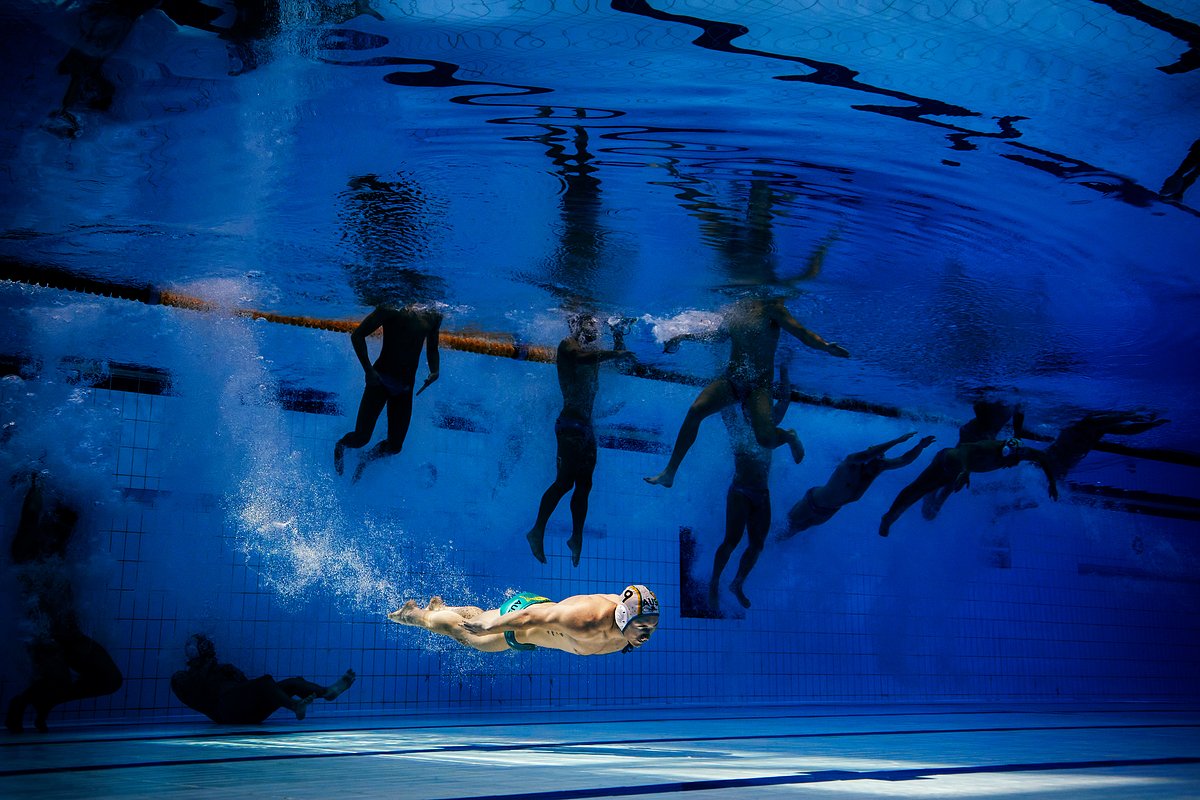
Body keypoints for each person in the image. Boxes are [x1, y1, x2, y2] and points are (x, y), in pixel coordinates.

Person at [644, 294, 848, 489]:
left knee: (765, 439)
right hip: (731, 380)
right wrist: (683, 336)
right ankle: (669, 472)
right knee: (696, 410)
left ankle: (789, 436)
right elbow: (718, 336)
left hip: (758, 387)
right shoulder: (735, 310)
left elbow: (801, 333)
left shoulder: (772, 308)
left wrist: (825, 346)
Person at [5, 473, 123, 733]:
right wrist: (36, 478)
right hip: (43, 638)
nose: (64, 535)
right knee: (57, 679)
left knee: (110, 679)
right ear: (47, 525)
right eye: (59, 528)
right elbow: (31, 512)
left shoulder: (58, 552)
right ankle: (23, 701)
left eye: (67, 530)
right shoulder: (26, 550)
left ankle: (47, 700)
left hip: (70, 637)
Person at [525, 313, 633, 566]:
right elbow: (580, 358)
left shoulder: (594, 350)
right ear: (578, 325)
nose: (596, 330)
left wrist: (618, 335)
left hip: (586, 428)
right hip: (570, 426)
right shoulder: (568, 345)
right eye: (591, 325)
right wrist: (614, 354)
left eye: (597, 326)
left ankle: (577, 536)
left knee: (584, 485)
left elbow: (619, 364)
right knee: (564, 483)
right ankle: (537, 530)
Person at [708, 364, 792, 614]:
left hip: (762, 494)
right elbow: (723, 405)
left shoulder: (768, 422)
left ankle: (737, 583)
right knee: (731, 541)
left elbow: (785, 400)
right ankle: (714, 583)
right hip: (741, 491)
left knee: (757, 545)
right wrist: (723, 374)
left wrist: (785, 371)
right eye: (750, 407)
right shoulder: (736, 425)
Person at [387, 585, 660, 656]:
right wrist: (490, 628)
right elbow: (531, 617)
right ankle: (415, 615)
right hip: (525, 624)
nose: (647, 634)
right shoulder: (588, 619)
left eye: (652, 627)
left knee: (481, 617)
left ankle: (443, 607)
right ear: (624, 616)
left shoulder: (629, 622)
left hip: (535, 611)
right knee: (470, 636)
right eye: (644, 627)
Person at [334, 304, 442, 482]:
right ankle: (341, 445)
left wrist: (435, 370)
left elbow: (432, 348)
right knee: (361, 438)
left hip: (405, 388)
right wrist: (368, 370)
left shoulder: (434, 315)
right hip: (379, 380)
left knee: (395, 446)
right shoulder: (392, 307)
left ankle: (365, 460)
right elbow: (357, 335)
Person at [878, 438, 1059, 538]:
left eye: (1015, 461)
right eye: (1010, 462)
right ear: (1004, 453)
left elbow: (1043, 458)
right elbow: (964, 448)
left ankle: (931, 496)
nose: (1012, 465)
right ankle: (888, 517)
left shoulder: (1020, 453)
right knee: (917, 489)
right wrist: (965, 470)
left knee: (931, 512)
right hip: (946, 462)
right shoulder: (990, 447)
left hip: (956, 475)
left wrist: (1052, 483)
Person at [780, 431, 936, 539]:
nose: (879, 461)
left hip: (827, 512)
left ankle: (773, 551)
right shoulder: (851, 462)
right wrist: (897, 441)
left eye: (881, 459)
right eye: (877, 457)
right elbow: (869, 454)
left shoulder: (876, 469)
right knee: (785, 529)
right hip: (812, 503)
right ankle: (764, 542)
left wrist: (920, 447)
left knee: (795, 532)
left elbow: (904, 460)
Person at [170, 634, 355, 724]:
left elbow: (246, 688)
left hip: (246, 710)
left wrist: (234, 674)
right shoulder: (183, 677)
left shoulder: (221, 669)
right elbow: (198, 694)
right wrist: (208, 667)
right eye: (206, 649)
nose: (212, 653)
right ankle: (295, 706)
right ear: (196, 652)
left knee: (292, 682)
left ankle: (328, 692)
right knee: (265, 681)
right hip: (227, 713)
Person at [919, 397, 1041, 521]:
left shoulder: (1015, 400)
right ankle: (934, 498)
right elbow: (978, 405)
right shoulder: (1004, 397)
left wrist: (1024, 437)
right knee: (958, 468)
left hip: (984, 434)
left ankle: (935, 498)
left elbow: (1018, 426)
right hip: (976, 432)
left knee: (959, 469)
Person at [1045, 411, 1168, 479]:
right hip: (1073, 445)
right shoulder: (1050, 467)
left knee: (1104, 426)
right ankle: (1136, 416)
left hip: (1075, 448)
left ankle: (1146, 420)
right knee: (1094, 423)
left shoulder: (1056, 470)